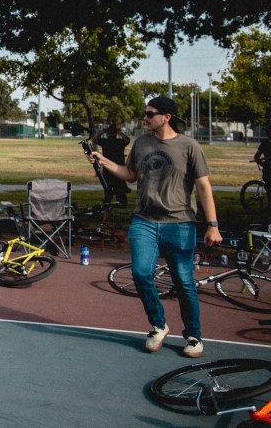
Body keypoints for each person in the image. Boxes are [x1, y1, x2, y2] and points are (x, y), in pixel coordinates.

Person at [90, 96, 221, 358]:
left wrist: (213, 225)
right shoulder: (141, 143)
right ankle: (159, 325)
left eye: (151, 114)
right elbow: (130, 175)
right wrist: (102, 160)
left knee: (184, 282)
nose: (146, 118)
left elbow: (203, 186)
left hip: (180, 224)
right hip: (145, 222)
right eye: (145, 113)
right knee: (140, 274)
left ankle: (193, 335)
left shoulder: (189, 146)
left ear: (166, 117)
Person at [92, 124, 131, 205]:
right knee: (117, 184)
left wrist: (102, 132)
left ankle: (111, 200)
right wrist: (120, 133)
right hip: (117, 166)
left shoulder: (107, 141)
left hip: (111, 166)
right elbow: (127, 140)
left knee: (111, 184)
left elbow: (94, 139)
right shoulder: (117, 142)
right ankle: (119, 200)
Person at [254, 123, 271, 211]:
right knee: (269, 188)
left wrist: (261, 160)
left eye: (268, 131)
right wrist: (261, 162)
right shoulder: (265, 143)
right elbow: (257, 156)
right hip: (269, 169)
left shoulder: (270, 142)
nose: (266, 133)